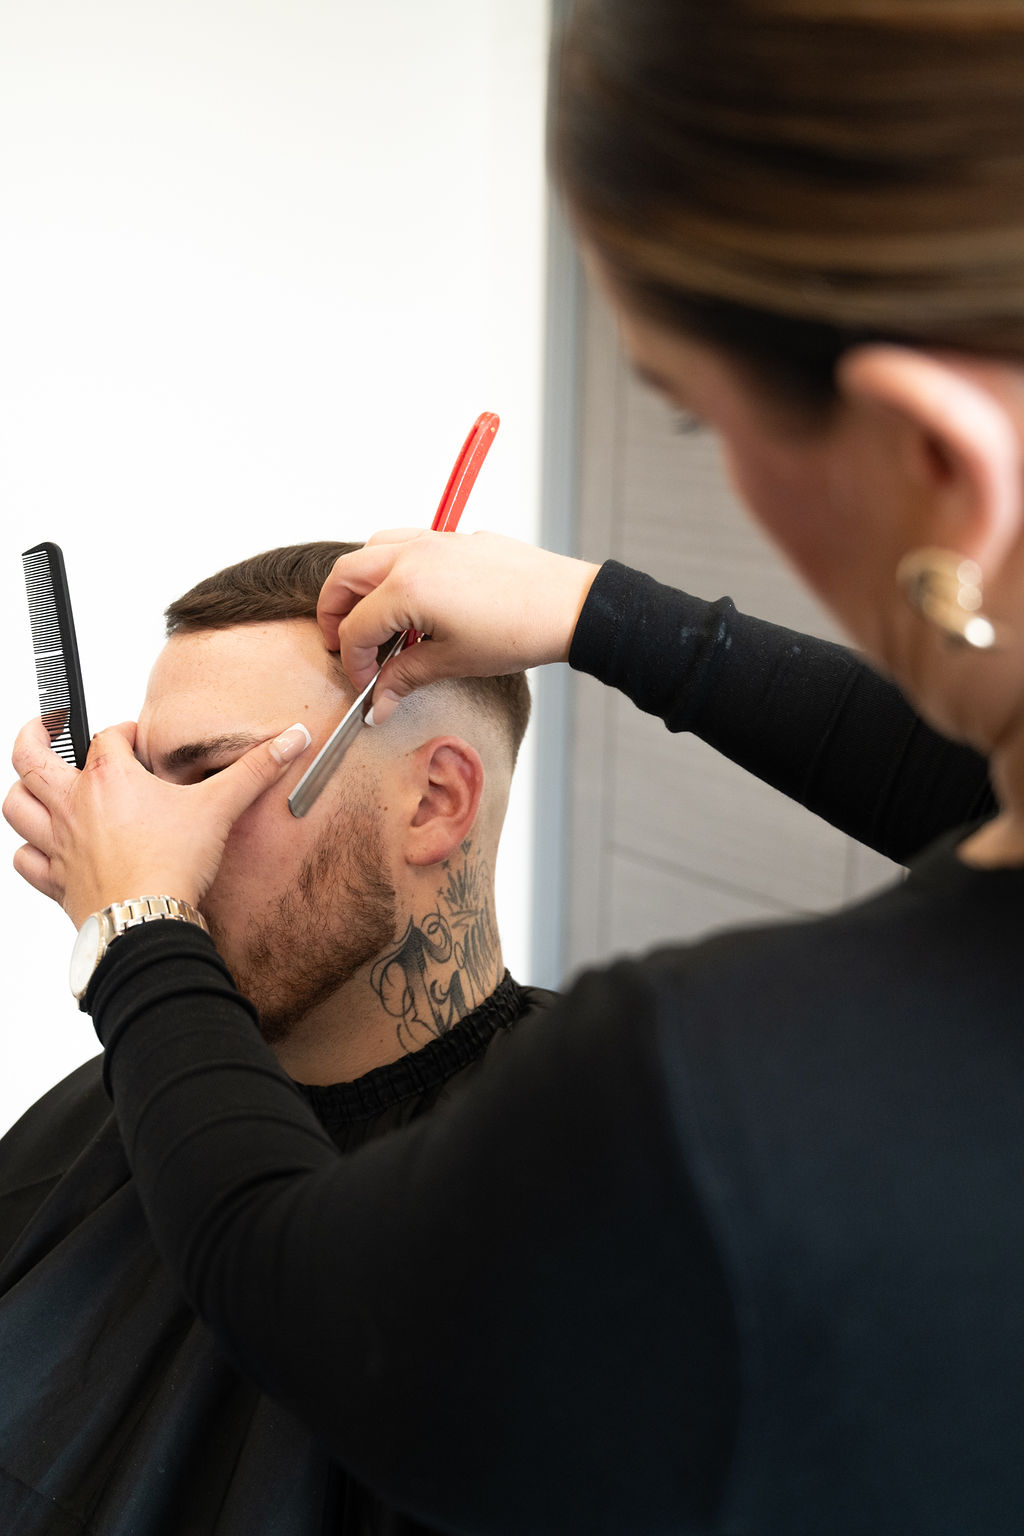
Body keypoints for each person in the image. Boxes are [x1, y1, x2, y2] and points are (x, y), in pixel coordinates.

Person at [7, 0, 1024, 1529]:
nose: (141, 825)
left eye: (692, 412)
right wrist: (594, 607)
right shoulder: (77, 1150)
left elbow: (292, 1287)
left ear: (437, 800)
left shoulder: (671, 1126)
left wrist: (135, 926)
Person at [0, 540, 548, 1535]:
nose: (149, 847)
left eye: (214, 774)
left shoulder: (589, 1171)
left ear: (434, 803)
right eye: (145, 789)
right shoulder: (108, 1111)